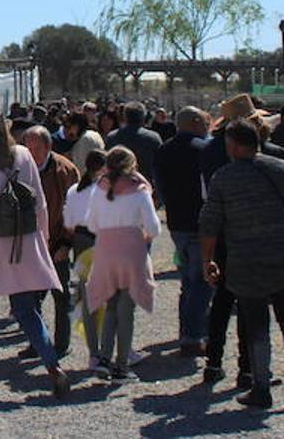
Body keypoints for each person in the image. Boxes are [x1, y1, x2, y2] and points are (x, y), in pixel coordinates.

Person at [199, 118, 284, 409]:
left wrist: (208, 261)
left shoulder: (224, 178)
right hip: (283, 258)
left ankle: (261, 387)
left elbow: (208, 225)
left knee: (257, 327)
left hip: (245, 262)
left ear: (236, 145)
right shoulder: (283, 168)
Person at [0, 110, 70, 398]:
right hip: (23, 237)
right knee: (26, 310)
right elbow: (39, 200)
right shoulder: (22, 153)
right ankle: (53, 366)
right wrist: (42, 237)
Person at [85, 146, 161, 381]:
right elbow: (154, 228)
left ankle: (103, 359)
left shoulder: (100, 188)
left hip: (106, 250)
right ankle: (121, 365)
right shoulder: (139, 190)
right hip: (131, 251)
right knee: (126, 310)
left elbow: (90, 224)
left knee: (110, 305)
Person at [152, 106, 213, 356]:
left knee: (187, 279)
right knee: (201, 280)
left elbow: (161, 186)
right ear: (196, 122)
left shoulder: (163, 149)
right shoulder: (204, 149)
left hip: (177, 222)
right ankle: (193, 335)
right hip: (201, 221)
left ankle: (187, 330)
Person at [21, 124, 80, 358]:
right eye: (28, 147)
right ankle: (38, 342)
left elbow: (74, 210)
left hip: (57, 242)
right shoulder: (21, 167)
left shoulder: (65, 171)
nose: (31, 152)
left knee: (61, 296)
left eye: (36, 148)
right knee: (30, 298)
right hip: (30, 243)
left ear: (48, 147)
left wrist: (66, 243)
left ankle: (61, 344)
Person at [63, 150, 107, 372]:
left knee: (88, 298)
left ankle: (94, 352)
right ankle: (113, 350)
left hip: (80, 243)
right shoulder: (106, 191)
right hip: (103, 241)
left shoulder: (74, 190)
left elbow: (68, 224)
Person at [106, 101, 162, 190]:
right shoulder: (153, 138)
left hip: (117, 189)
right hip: (145, 188)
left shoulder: (111, 137)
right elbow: (160, 167)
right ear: (144, 117)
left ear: (124, 117)